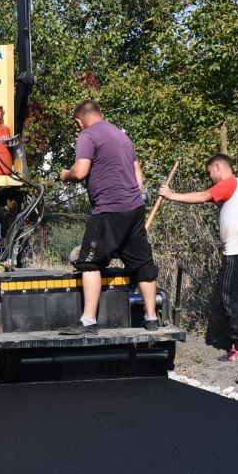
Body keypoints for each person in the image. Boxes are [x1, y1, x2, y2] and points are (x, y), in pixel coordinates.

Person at [57, 100, 159, 335]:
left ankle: (88, 321)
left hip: (108, 210)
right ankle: (151, 318)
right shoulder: (122, 135)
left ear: (79, 121)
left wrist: (65, 175)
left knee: (90, 262)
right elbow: (138, 175)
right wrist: (132, 200)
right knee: (142, 263)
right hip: (134, 208)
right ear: (101, 114)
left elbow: (80, 172)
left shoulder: (88, 135)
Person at [159, 154, 238, 361]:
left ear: (217, 167)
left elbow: (202, 196)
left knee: (230, 297)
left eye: (210, 173)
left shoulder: (228, 183)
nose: (210, 177)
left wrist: (171, 195)